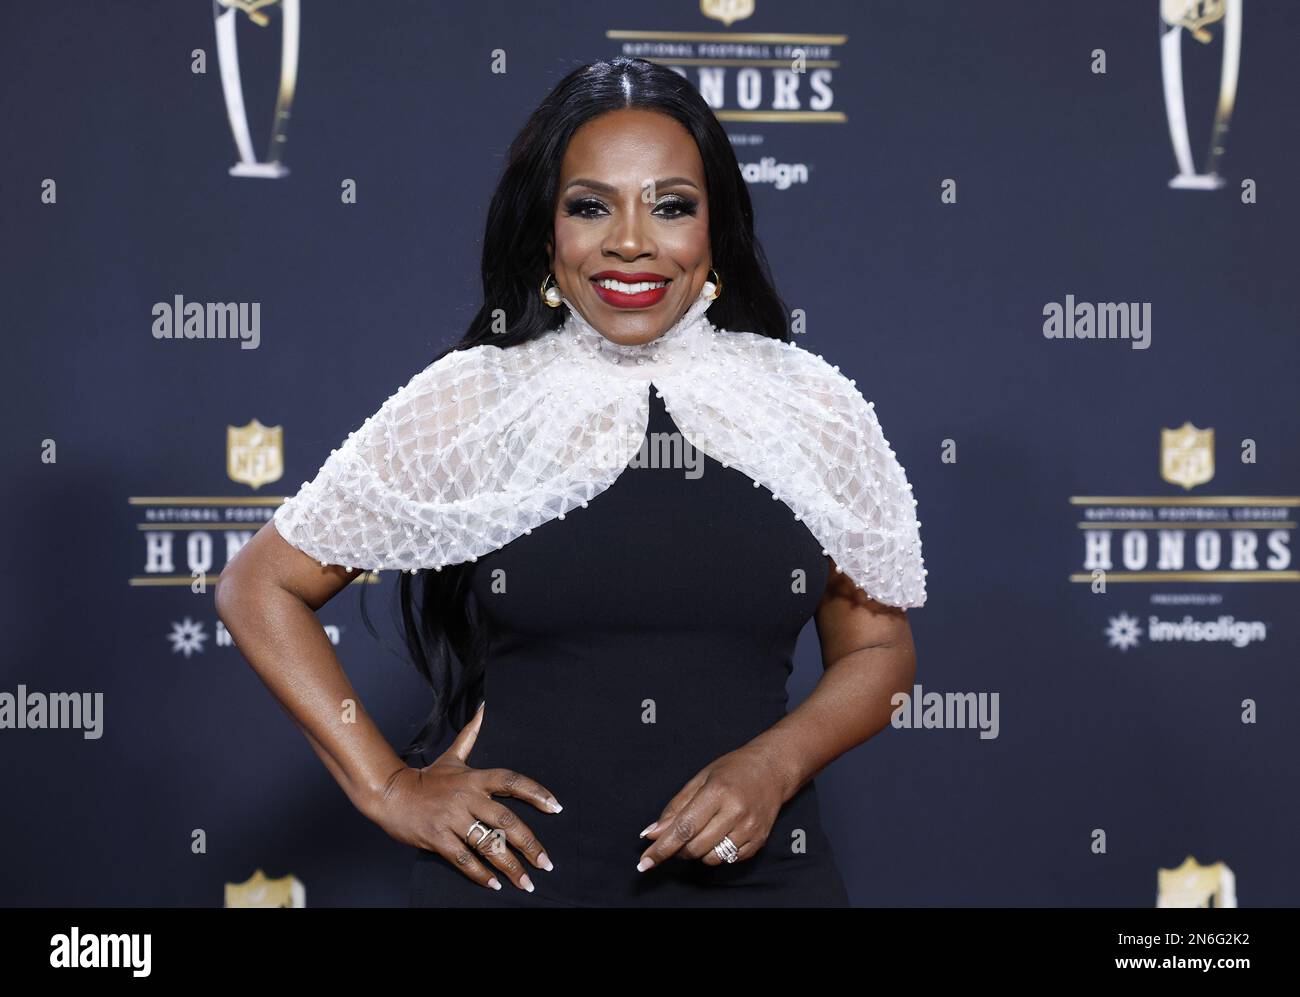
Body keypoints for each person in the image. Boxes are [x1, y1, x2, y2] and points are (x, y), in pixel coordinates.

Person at [215, 57, 927, 908]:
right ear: (548, 233)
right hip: (516, 882)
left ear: (715, 230)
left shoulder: (807, 406)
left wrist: (776, 761)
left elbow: (880, 650)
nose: (631, 240)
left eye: (671, 205)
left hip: (759, 879)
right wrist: (388, 787)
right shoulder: (480, 399)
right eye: (592, 205)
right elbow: (259, 585)